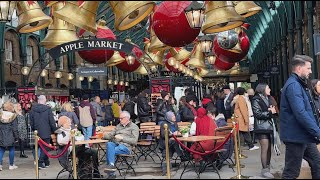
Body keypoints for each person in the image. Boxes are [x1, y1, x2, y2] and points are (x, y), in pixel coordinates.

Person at [280, 55, 320, 179]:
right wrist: (317, 132)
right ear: (298, 68)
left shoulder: (298, 84)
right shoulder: (294, 85)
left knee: (317, 163)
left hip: (303, 135)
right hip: (296, 137)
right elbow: (301, 113)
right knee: (291, 172)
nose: (310, 71)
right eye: (308, 68)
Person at [102, 111, 139, 179]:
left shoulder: (134, 127)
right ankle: (111, 165)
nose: (120, 120)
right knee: (109, 144)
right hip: (116, 144)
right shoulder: (118, 126)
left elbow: (134, 141)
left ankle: (111, 174)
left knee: (111, 151)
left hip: (126, 147)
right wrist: (102, 135)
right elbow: (110, 135)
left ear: (127, 118)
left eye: (121, 118)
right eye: (119, 118)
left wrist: (122, 138)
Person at [252, 83, 277, 178]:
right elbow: (257, 114)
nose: (270, 89)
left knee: (269, 149)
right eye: (268, 88)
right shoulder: (256, 99)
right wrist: (270, 112)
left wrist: (272, 111)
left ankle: (268, 167)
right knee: (265, 148)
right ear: (262, 89)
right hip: (261, 127)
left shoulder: (268, 98)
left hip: (269, 126)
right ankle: (264, 170)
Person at [29, 95, 57, 169]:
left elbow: (31, 121)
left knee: (40, 146)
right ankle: (40, 162)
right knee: (45, 147)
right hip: (46, 130)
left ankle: (46, 161)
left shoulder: (32, 109)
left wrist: (34, 129)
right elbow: (51, 121)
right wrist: (54, 130)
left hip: (36, 131)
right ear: (45, 101)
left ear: (38, 101)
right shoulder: (48, 109)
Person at [0, 101, 19, 170]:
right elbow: (15, 128)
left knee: (1, 150)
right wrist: (16, 137)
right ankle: (11, 165)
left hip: (1, 135)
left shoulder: (0, 115)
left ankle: (0, 165)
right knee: (11, 149)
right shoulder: (13, 116)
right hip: (11, 135)